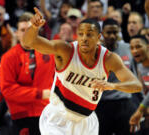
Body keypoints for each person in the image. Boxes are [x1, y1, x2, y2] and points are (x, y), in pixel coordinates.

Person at [22, 7, 142, 135]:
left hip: (86, 122)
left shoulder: (108, 59)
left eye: (89, 34)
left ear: (98, 37)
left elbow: (136, 86)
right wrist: (34, 28)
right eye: (81, 34)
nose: (84, 38)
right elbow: (29, 42)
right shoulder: (65, 50)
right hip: (57, 119)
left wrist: (113, 85)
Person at [0, 12, 55, 135]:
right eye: (22, 30)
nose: (26, 33)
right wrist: (40, 94)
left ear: (36, 31)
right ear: (17, 33)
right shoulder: (8, 57)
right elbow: (7, 90)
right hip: (22, 116)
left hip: (47, 114)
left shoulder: (49, 53)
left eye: (29, 29)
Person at [95, 18, 138, 135]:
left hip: (124, 102)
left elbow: (136, 73)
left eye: (115, 32)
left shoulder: (128, 48)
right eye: (109, 33)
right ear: (102, 33)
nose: (112, 36)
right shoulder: (95, 51)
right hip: (102, 104)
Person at [129, 35, 149, 134]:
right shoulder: (138, 65)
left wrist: (140, 110)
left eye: (138, 47)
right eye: (132, 48)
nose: (134, 51)